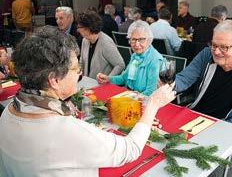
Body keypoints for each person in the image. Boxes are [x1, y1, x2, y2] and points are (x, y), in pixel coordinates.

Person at [0, 25, 176, 176]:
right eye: (75, 68)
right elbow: (129, 149)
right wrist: (153, 104)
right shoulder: (64, 130)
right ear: (54, 80)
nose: (79, 74)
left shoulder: (7, 112)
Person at [174, 20, 232, 149]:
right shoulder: (206, 55)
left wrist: (217, 126)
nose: (216, 52)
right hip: (198, 117)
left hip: (229, 125)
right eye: (214, 45)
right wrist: (168, 89)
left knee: (188, 151)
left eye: (224, 47)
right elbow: (184, 79)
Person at [97, 20, 163, 96]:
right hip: (129, 95)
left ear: (149, 40)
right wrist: (108, 79)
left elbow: (150, 92)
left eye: (141, 39)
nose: (137, 44)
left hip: (143, 102)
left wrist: (129, 97)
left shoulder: (155, 60)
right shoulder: (135, 55)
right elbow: (123, 78)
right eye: (133, 39)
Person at [77, 10, 125, 79]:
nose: (77, 29)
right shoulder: (85, 40)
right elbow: (82, 61)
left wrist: (108, 78)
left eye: (79, 26)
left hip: (101, 85)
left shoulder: (105, 42)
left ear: (87, 28)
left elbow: (120, 65)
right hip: (87, 82)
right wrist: (78, 70)